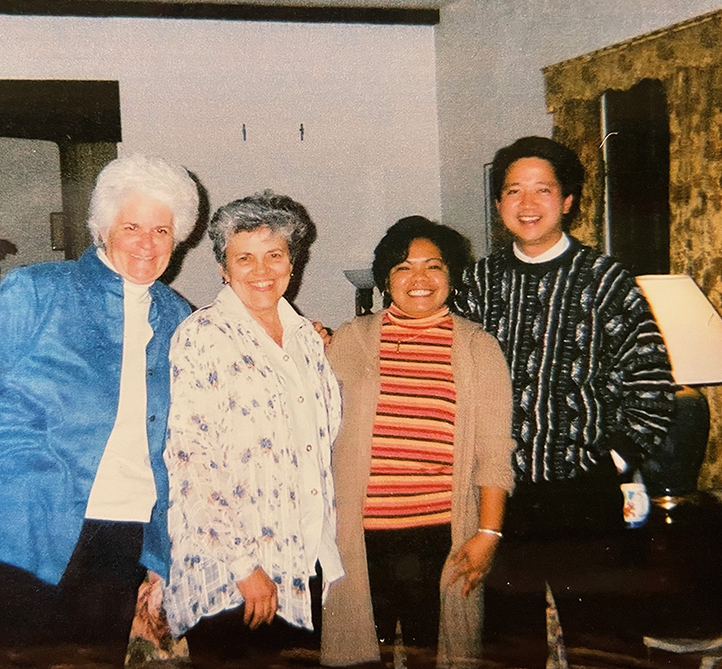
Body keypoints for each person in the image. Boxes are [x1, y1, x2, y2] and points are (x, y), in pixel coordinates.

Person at [0, 154, 200, 658]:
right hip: (15, 523)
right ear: (103, 228)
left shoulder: (181, 319)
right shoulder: (43, 291)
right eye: (132, 225)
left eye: (161, 230)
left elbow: (179, 447)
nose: (146, 242)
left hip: (119, 539)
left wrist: (160, 554)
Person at [453, 136, 674, 535]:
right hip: (493, 493)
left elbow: (653, 385)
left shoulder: (606, 280)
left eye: (543, 190)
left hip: (584, 493)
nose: (528, 204)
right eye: (514, 191)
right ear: (499, 203)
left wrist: (613, 462)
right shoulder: (479, 282)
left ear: (568, 200)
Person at [321, 217, 516, 669]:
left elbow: (494, 450)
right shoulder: (351, 339)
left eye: (434, 267)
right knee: (358, 658)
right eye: (404, 268)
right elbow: (309, 420)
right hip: (359, 538)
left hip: (441, 539)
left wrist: (488, 533)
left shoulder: (477, 346)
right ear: (386, 279)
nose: (420, 280)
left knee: (440, 656)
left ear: (452, 276)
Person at [164, 191, 344, 668]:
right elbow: (190, 459)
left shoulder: (307, 339)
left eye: (275, 255)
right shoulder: (203, 334)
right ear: (224, 268)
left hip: (302, 563)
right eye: (244, 258)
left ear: (292, 262)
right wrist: (245, 568)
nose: (261, 270)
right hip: (234, 575)